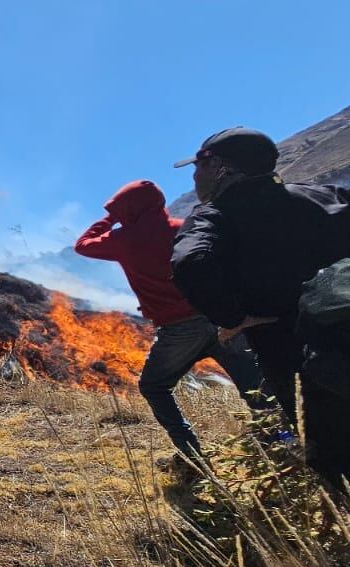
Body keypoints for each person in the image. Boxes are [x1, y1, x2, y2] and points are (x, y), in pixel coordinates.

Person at [170, 127, 350, 497]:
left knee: (337, 462)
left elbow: (190, 262)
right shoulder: (325, 197)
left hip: (300, 364)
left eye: (199, 165)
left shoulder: (214, 217)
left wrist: (233, 318)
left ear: (219, 167)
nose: (194, 175)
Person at [74, 178, 266, 459]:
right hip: (221, 320)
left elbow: (83, 245)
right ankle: (281, 442)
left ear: (128, 209)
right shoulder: (183, 228)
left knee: (154, 386)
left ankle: (191, 455)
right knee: (255, 387)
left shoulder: (123, 239)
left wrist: (110, 218)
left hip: (178, 330)